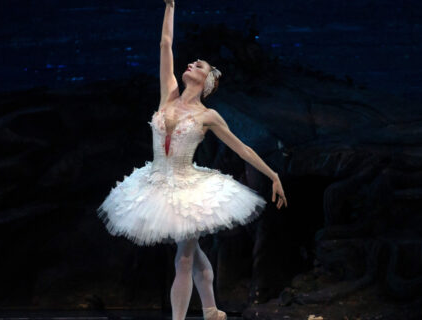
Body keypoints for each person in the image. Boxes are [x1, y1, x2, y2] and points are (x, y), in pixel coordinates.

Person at [97, 1, 288, 319]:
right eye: (192, 63)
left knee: (183, 258)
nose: (191, 65)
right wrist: (170, 6)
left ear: (207, 82)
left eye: (198, 65)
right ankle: (211, 310)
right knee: (194, 252)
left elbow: (242, 148)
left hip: (189, 190)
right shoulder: (167, 92)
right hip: (155, 183)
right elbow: (165, 44)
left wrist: (273, 175)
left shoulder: (207, 115)